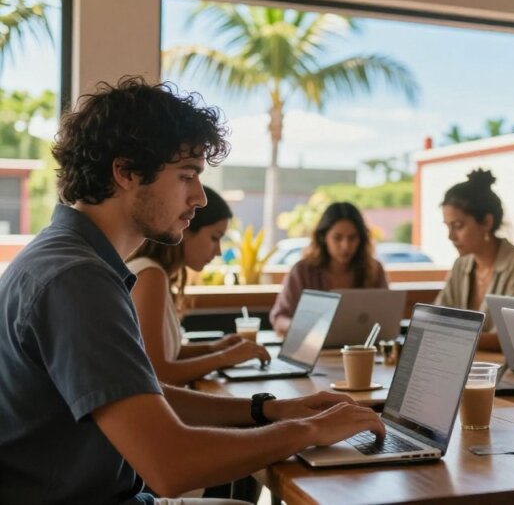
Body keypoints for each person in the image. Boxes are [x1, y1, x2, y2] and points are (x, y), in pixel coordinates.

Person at [0, 77, 384, 504]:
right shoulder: (76, 280)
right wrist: (308, 430)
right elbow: (170, 466)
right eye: (187, 176)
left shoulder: (67, 260)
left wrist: (266, 409)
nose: (200, 197)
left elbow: (141, 397)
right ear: (125, 172)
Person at [128, 186, 270, 386]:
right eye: (215, 238)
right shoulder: (149, 275)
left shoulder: (156, 274)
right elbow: (158, 374)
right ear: (186, 229)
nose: (219, 251)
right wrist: (226, 358)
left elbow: (168, 354)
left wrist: (215, 348)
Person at [435, 169, 514, 351]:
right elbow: (439, 319)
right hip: (469, 369)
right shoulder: (461, 265)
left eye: (458, 226)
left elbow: (512, 338)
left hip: (510, 373)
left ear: (487, 222)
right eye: (447, 226)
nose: (450, 236)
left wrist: (452, 335)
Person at [270, 201, 387, 334]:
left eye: (352, 238)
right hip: (313, 350)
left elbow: (387, 317)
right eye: (337, 238)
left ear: (361, 239)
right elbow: (279, 318)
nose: (345, 246)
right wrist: (303, 330)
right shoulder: (302, 271)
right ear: (323, 237)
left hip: (362, 351)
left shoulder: (374, 269)